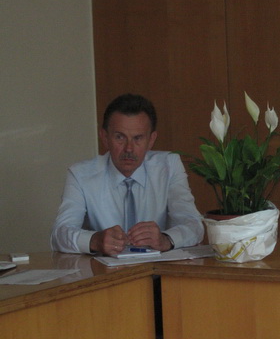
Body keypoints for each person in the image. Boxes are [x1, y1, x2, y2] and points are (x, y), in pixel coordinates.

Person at [51, 93, 204, 256]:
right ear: (105, 137)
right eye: (120, 137)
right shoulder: (80, 175)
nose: (129, 148)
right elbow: (59, 234)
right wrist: (95, 240)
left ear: (151, 140)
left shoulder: (169, 166)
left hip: (157, 268)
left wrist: (166, 240)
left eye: (138, 138)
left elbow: (194, 226)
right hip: (104, 269)